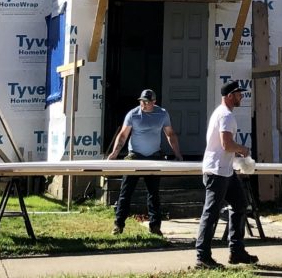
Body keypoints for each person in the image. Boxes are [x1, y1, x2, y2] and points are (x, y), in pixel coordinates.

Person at [195, 79, 258, 268]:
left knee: (240, 205)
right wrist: (243, 150)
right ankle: (202, 257)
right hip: (217, 172)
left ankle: (236, 251)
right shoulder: (226, 116)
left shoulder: (223, 113)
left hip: (226, 171)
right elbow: (227, 145)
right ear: (230, 96)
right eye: (239, 94)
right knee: (211, 213)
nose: (241, 96)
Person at [108, 88, 183, 235]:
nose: (144, 105)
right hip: (135, 156)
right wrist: (114, 153)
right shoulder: (133, 114)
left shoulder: (162, 114)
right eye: (142, 101)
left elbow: (170, 134)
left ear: (154, 102)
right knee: (126, 192)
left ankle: (155, 227)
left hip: (154, 157)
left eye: (147, 102)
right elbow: (123, 135)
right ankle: (118, 224)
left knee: (153, 193)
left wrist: (178, 154)